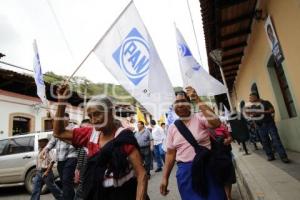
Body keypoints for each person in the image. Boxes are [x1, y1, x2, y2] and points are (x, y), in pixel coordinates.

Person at [52, 84, 148, 200]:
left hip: (126, 194)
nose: (93, 120)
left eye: (97, 114)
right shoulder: (89, 135)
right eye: (90, 116)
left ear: (110, 112)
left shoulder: (124, 138)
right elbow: (58, 133)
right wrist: (62, 102)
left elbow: (141, 174)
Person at [160, 87, 226, 200]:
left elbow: (216, 123)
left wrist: (197, 99)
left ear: (190, 103)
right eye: (176, 102)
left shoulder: (200, 117)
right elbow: (170, 154)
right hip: (186, 174)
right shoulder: (172, 128)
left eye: (183, 101)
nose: (179, 105)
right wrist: (165, 178)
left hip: (208, 168)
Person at [43, 113, 78, 200]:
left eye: (64, 120)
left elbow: (76, 140)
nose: (62, 121)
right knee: (64, 181)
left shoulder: (75, 128)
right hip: (60, 158)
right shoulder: (57, 129)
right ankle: (72, 197)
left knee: (66, 179)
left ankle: (67, 198)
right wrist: (46, 149)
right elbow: (52, 141)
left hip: (71, 156)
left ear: (68, 119)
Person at [248, 92, 289, 163]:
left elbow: (272, 110)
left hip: (269, 124)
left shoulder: (265, 102)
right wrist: (254, 120)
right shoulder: (252, 106)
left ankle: (283, 157)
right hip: (260, 126)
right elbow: (252, 115)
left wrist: (261, 112)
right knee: (265, 142)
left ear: (255, 97)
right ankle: (270, 155)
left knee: (276, 139)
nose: (250, 99)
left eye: (251, 97)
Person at [31, 133, 63, 200]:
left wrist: (47, 172)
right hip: (39, 172)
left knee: (52, 187)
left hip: (46, 172)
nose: (39, 143)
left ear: (45, 142)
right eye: (38, 141)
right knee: (35, 189)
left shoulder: (49, 149)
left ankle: (62, 198)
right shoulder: (40, 150)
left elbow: (52, 161)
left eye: (41, 141)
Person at [212, 122, 236, 200]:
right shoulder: (203, 127)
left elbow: (230, 137)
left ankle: (228, 196)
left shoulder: (221, 126)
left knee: (228, 176)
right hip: (212, 156)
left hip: (224, 154)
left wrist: (228, 140)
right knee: (217, 177)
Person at [74, 119, 91, 200]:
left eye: (85, 128)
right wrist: (77, 169)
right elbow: (79, 158)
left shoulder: (94, 142)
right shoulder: (81, 142)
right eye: (81, 128)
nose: (82, 131)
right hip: (82, 176)